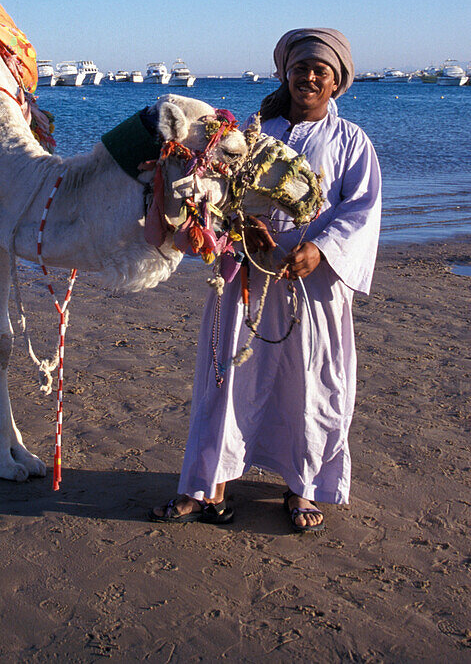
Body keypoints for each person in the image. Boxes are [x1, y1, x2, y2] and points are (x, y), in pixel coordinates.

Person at [151, 27, 382, 533]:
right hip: (246, 276)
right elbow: (218, 193)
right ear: (286, 73)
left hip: (314, 287)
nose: (310, 76)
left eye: (322, 70)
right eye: (301, 67)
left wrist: (320, 249)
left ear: (337, 82)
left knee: (311, 382)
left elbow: (361, 209)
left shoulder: (351, 142)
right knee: (228, 376)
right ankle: (205, 486)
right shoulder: (254, 133)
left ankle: (303, 489)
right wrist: (240, 231)